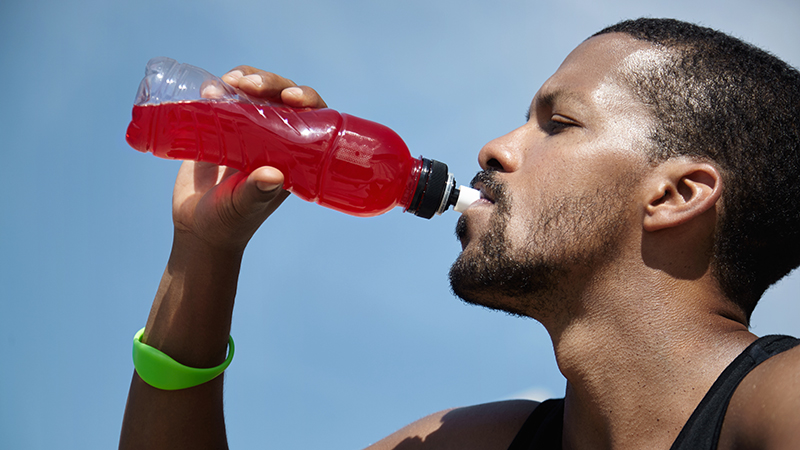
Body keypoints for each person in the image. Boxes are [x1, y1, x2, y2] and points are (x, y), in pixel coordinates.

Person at [119, 18, 800, 449]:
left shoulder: (782, 403)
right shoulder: (477, 442)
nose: (494, 149)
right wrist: (207, 250)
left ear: (677, 195)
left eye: (557, 124)